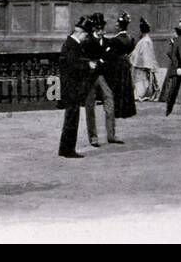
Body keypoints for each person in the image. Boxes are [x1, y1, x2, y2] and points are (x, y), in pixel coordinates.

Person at [58, 16, 97, 158]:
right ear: (80, 33)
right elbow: (73, 64)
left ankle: (65, 149)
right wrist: (88, 65)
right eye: (86, 35)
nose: (86, 38)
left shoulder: (71, 43)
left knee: (71, 117)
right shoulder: (72, 45)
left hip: (71, 86)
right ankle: (68, 150)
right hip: (71, 87)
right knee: (72, 118)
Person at [82, 13, 122, 146]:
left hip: (104, 76)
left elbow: (111, 59)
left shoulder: (107, 42)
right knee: (90, 107)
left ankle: (111, 135)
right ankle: (93, 137)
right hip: (90, 77)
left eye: (101, 28)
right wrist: (99, 61)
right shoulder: (87, 42)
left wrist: (102, 61)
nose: (100, 31)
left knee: (109, 103)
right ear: (93, 28)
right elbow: (84, 59)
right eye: (97, 28)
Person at [102, 12, 137, 123]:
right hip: (126, 64)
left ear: (119, 26)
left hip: (116, 65)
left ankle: (118, 111)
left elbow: (109, 53)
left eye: (117, 25)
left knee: (117, 86)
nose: (115, 26)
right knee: (126, 86)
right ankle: (128, 110)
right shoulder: (131, 38)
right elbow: (130, 51)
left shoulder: (115, 40)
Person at [131, 18, 161, 101]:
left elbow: (145, 55)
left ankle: (145, 95)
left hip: (143, 65)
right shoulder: (145, 40)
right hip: (142, 64)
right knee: (143, 80)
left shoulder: (145, 41)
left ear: (141, 31)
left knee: (144, 81)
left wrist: (147, 66)